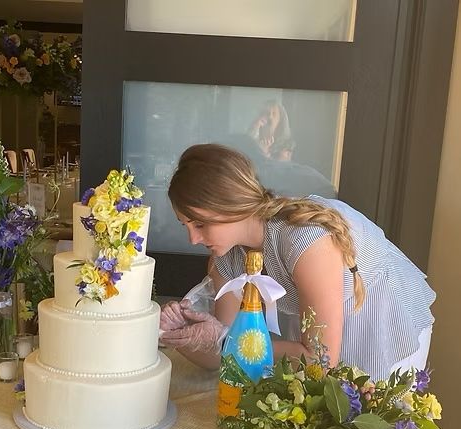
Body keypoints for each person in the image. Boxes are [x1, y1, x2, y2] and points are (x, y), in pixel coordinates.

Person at [159, 144, 435, 382]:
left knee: (372, 427)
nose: (193, 238)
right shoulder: (227, 259)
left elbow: (319, 362)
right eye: (186, 225)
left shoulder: (306, 241)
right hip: (318, 342)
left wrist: (223, 339)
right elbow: (226, 356)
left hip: (380, 317)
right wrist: (182, 335)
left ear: (231, 204)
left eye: (200, 224)